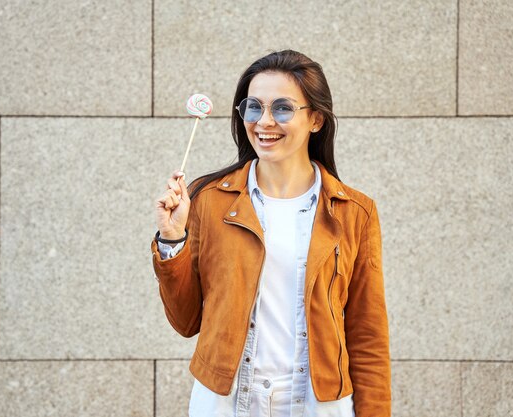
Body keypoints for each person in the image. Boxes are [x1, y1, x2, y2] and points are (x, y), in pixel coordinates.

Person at [151, 50, 391, 417]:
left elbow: (368, 335)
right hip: (226, 402)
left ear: (315, 119)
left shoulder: (354, 212)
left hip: (319, 403)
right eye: (253, 107)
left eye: (282, 108)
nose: (264, 122)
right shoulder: (207, 198)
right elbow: (186, 322)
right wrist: (172, 239)